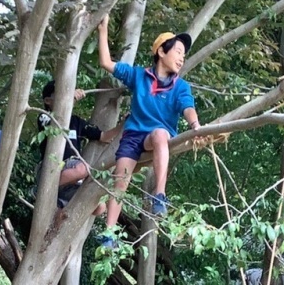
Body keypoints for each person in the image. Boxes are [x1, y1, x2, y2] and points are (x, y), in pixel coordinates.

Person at [96, 16, 203, 248]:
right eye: (178, 51)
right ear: (161, 53)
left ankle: (159, 195)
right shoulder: (138, 75)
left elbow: (188, 109)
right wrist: (103, 29)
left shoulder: (180, 86)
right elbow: (106, 62)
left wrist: (195, 126)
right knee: (120, 181)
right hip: (133, 136)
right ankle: (109, 235)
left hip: (157, 139)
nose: (181, 57)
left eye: (184, 54)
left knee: (160, 134)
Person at [36, 80, 122, 213]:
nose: (68, 95)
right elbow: (57, 120)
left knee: (99, 207)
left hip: (70, 180)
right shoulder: (44, 116)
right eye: (62, 93)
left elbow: (104, 136)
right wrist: (69, 102)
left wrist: (124, 124)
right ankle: (43, 188)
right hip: (53, 168)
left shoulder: (77, 122)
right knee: (83, 168)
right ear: (48, 101)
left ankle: (58, 205)